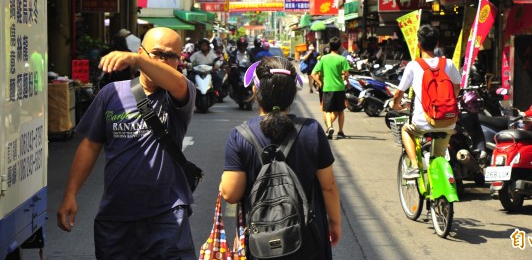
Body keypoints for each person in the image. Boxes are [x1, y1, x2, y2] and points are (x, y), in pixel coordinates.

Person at [57, 27, 197, 260]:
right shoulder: (111, 94)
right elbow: (90, 146)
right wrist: (70, 193)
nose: (164, 60)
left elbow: (178, 83)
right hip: (115, 219)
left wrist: (135, 59)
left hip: (167, 215)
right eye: (158, 54)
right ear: (142, 51)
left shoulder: (179, 92)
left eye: (172, 56)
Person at [220, 56, 342, 259]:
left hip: (261, 240)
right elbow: (328, 186)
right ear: (293, 92)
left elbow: (231, 194)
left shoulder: (239, 135)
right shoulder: (312, 130)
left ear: (255, 91)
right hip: (308, 237)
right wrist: (335, 222)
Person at [392, 24, 461, 179]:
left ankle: (415, 167)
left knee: (406, 130)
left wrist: (395, 105)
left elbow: (398, 93)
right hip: (449, 120)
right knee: (439, 157)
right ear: (437, 44)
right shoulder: (448, 63)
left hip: (423, 122)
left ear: (418, 44)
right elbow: (457, 88)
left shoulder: (413, 66)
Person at [311, 37, 350, 139]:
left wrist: (320, 83)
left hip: (327, 88)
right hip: (340, 88)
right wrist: (344, 78)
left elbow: (313, 74)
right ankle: (340, 131)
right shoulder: (342, 59)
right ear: (340, 47)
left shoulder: (323, 59)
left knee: (327, 110)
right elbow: (346, 73)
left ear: (330, 46)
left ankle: (329, 127)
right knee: (340, 111)